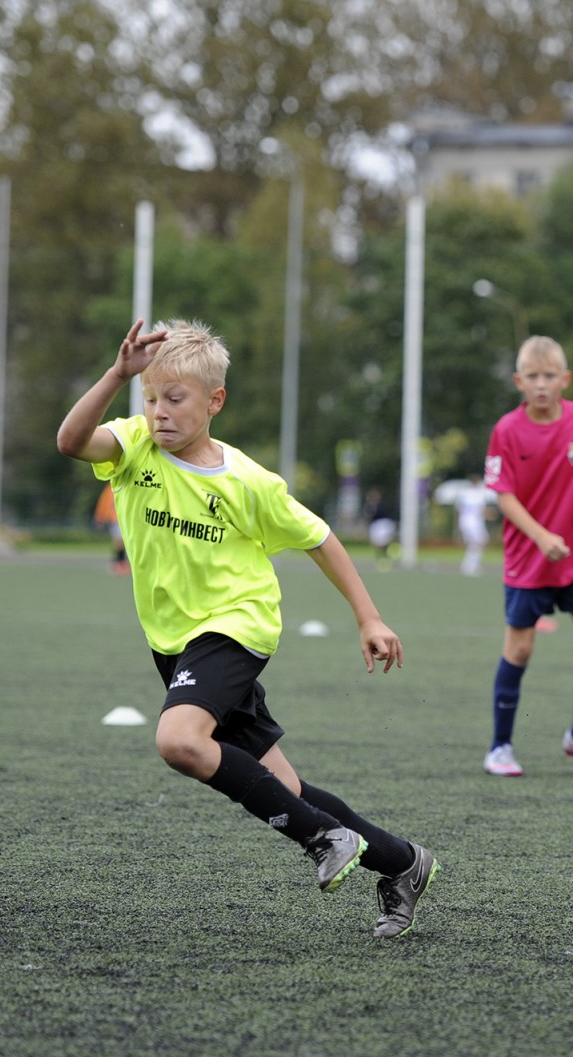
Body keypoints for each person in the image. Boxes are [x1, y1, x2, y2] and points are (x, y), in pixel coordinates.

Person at [57, 318, 438, 939]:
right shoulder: (132, 448)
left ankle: (322, 841)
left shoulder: (249, 483)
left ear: (215, 402)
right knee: (286, 788)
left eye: (174, 399)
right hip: (174, 642)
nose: (158, 413)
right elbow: (71, 441)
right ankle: (401, 863)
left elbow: (321, 538)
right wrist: (116, 375)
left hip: (236, 627)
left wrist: (368, 616)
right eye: (150, 398)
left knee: (179, 741)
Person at [482, 334, 573, 778]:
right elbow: (502, 496)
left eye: (550, 376)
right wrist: (542, 536)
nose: (541, 384)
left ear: (565, 379)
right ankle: (500, 747)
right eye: (533, 376)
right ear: (518, 381)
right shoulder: (506, 430)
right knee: (520, 650)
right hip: (528, 560)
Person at [454, 472, 491, 577]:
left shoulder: (464, 493)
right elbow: (481, 510)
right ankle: (470, 566)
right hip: (474, 522)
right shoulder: (478, 494)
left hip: (464, 521)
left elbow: (459, 510)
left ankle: (470, 564)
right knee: (479, 543)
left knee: (474, 544)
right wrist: (490, 514)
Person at [93, 481, 128, 575]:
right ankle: (118, 562)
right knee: (119, 542)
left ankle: (121, 562)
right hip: (116, 519)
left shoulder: (129, 484)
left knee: (125, 542)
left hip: (127, 518)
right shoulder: (111, 487)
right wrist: (100, 515)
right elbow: (104, 502)